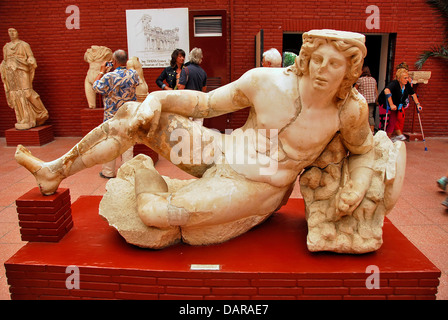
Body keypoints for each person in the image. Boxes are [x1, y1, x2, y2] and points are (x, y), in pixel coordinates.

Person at [15, 30, 375, 243]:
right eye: (318, 60)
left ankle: (141, 171)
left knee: (155, 212)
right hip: (221, 150)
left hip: (257, 186)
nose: (322, 70)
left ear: (350, 70)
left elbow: (364, 153)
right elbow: (205, 104)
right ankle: (54, 170)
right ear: (307, 58)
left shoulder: (350, 110)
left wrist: (357, 187)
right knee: (131, 115)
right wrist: (155, 98)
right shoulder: (266, 82)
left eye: (335, 64)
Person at [92, 49, 139, 178]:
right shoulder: (133, 74)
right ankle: (127, 173)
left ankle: (108, 172)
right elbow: (137, 84)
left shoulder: (109, 77)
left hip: (111, 118)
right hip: (128, 115)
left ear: (114, 61)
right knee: (128, 145)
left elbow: (95, 86)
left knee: (110, 144)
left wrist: (102, 71)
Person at [0, 28, 49, 130]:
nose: (12, 33)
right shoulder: (6, 47)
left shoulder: (24, 45)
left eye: (14, 31)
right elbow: (5, 61)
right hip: (11, 72)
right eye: (9, 32)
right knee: (16, 94)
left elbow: (30, 57)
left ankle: (41, 112)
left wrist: (31, 60)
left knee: (26, 92)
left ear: (18, 32)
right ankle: (23, 118)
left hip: (22, 69)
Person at [378, 67, 423, 140]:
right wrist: (391, 104)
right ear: (399, 78)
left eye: (407, 77)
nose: (407, 79)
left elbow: (413, 94)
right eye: (405, 78)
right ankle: (380, 138)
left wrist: (418, 104)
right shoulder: (394, 83)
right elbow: (386, 90)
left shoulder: (407, 85)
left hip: (396, 105)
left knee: (392, 122)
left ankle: (388, 139)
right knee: (384, 122)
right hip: (385, 103)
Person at [177, 47, 207, 125]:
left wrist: (178, 79)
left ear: (190, 56)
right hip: (199, 103)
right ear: (200, 58)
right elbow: (204, 89)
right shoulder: (203, 72)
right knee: (198, 126)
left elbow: (181, 87)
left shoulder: (185, 70)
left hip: (188, 103)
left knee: (187, 127)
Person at [355, 66, 378, 133]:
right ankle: (372, 131)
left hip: (363, 101)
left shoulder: (360, 80)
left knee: (361, 116)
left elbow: (354, 90)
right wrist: (376, 99)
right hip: (372, 101)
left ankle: (361, 131)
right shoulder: (373, 80)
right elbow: (376, 91)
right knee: (370, 116)